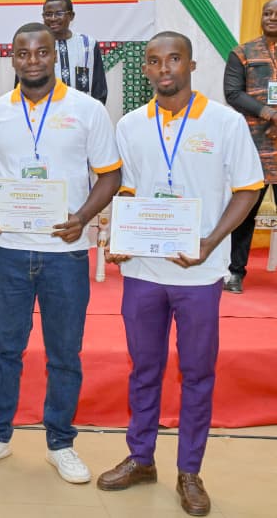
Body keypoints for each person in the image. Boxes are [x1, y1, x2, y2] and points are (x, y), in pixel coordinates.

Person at [97, 32, 262, 517]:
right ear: (145, 69)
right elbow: (126, 190)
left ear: (191, 65)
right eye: (154, 61)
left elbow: (248, 189)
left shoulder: (225, 122)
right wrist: (120, 236)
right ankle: (141, 458)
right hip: (143, 271)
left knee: (197, 373)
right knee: (144, 369)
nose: (164, 67)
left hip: (199, 272)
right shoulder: (130, 124)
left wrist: (210, 242)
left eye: (174, 59)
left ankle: (190, 470)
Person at [0, 23, 121, 483]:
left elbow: (110, 175)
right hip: (9, 251)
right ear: (12, 58)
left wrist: (83, 217)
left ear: (55, 55)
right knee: (5, 349)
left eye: (41, 52)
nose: (32, 60)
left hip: (65, 251)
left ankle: (61, 443)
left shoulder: (88, 110)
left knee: (65, 353)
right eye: (23, 53)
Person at [222, 0, 277, 294]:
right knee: (244, 213)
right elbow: (232, 93)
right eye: (267, 13)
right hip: (253, 147)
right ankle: (234, 273)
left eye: (276, 14)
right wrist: (267, 112)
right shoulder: (242, 52)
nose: (271, 18)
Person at [41, 0, 108, 104]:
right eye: (48, 14)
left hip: (83, 111)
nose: (53, 18)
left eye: (59, 13)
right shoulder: (36, 46)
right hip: (47, 111)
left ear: (71, 16)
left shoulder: (88, 45)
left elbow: (99, 87)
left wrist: (95, 111)